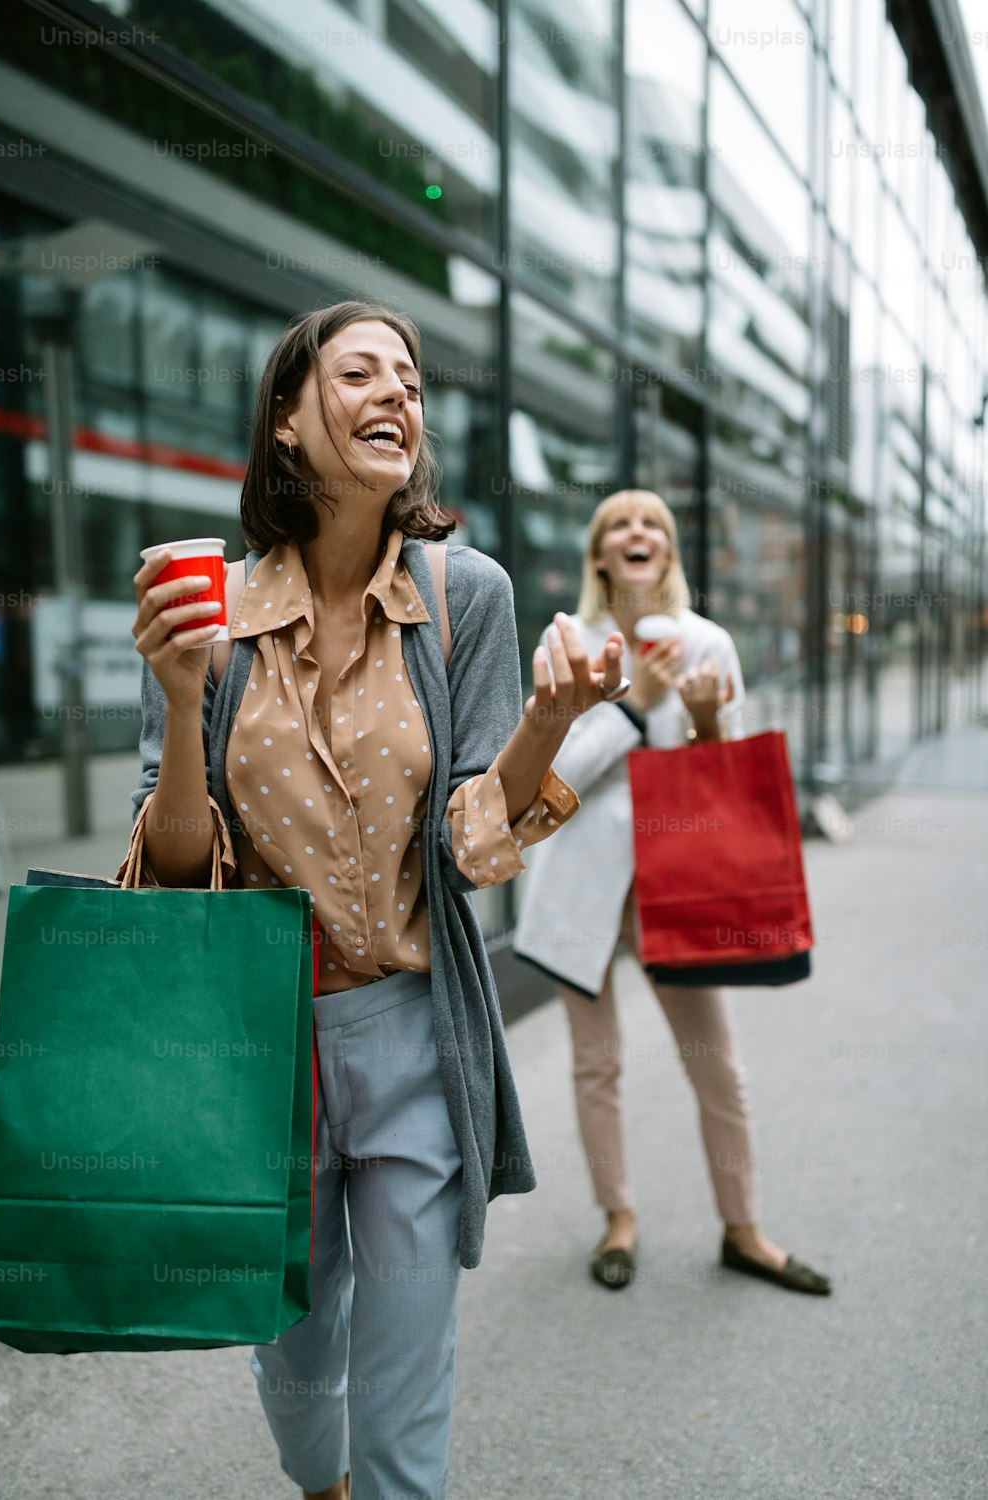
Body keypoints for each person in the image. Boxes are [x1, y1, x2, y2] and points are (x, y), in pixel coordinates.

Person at [122, 301, 629, 1500]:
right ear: (288, 423)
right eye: (358, 373)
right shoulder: (216, 616)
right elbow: (179, 871)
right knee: (296, 1366)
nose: (396, 392)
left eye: (409, 378)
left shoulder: (468, 599)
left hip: (411, 1035)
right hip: (259, 1048)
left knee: (404, 1395)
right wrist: (184, 695)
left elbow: (471, 846)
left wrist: (548, 720)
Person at [514, 490, 831, 1297]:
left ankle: (744, 1229)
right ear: (598, 554)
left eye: (652, 523)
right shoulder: (569, 642)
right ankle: (618, 1219)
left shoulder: (709, 643)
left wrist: (701, 725)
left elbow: (724, 779)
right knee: (598, 1064)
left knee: (716, 1065)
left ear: (669, 551)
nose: (637, 533)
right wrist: (636, 706)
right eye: (619, 524)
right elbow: (545, 777)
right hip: (583, 883)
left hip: (675, 885)